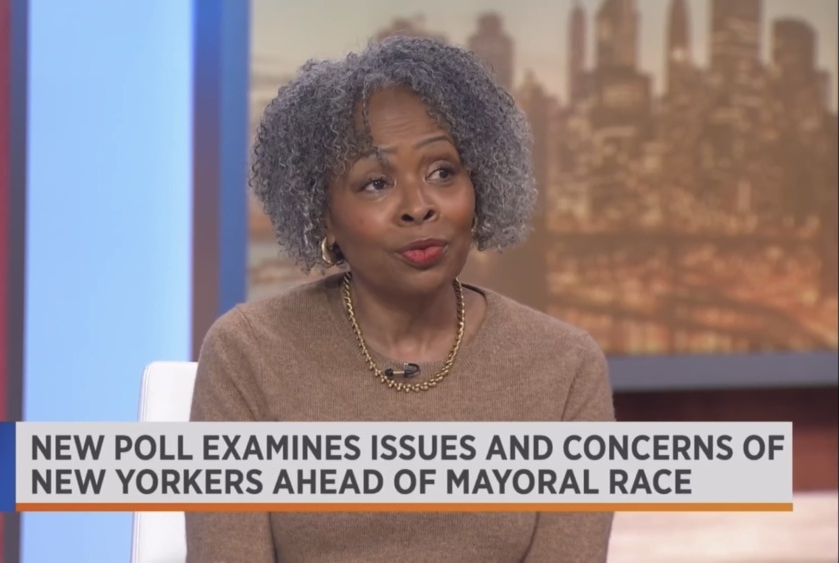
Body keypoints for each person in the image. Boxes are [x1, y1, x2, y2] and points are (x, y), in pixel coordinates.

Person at [186, 35, 615, 563]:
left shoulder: (565, 367)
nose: (418, 206)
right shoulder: (247, 354)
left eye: (442, 173)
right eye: (375, 182)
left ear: (478, 185)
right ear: (323, 214)